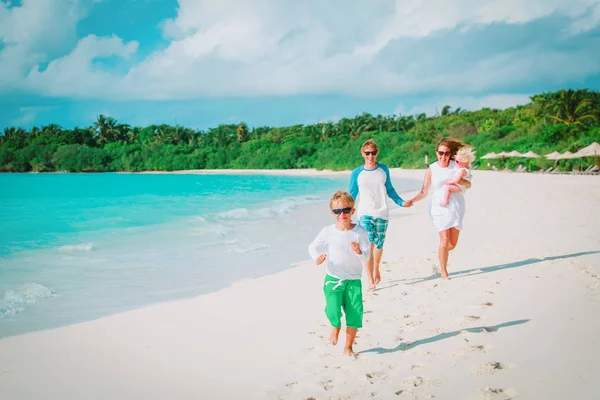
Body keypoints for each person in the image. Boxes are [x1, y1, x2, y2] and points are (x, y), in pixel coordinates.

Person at [308, 190, 371, 357]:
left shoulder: (360, 232)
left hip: (353, 280)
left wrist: (358, 251)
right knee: (333, 310)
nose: (341, 214)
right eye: (337, 211)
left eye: (346, 210)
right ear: (332, 213)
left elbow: (366, 256)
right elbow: (312, 247)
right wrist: (317, 257)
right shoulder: (328, 231)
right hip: (333, 279)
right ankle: (335, 326)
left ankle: (348, 347)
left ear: (353, 211)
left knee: (355, 314)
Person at [403, 137, 472, 280]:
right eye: (441, 153)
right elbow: (424, 191)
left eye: (446, 153)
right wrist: (412, 200)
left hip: (457, 204)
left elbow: (469, 184)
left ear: (450, 154)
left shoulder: (456, 165)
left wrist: (460, 181)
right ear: (436, 153)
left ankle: (441, 259)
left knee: (452, 244)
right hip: (439, 206)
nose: (443, 156)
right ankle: (443, 272)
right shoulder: (431, 169)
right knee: (444, 240)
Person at [349, 139, 409, 289]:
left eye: (373, 153)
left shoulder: (383, 169)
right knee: (368, 242)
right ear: (362, 153)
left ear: (377, 153)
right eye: (367, 153)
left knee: (379, 243)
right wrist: (345, 212)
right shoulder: (357, 173)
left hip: (382, 212)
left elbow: (390, 189)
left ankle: (376, 269)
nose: (370, 156)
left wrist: (401, 202)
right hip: (364, 213)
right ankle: (369, 278)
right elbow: (352, 194)